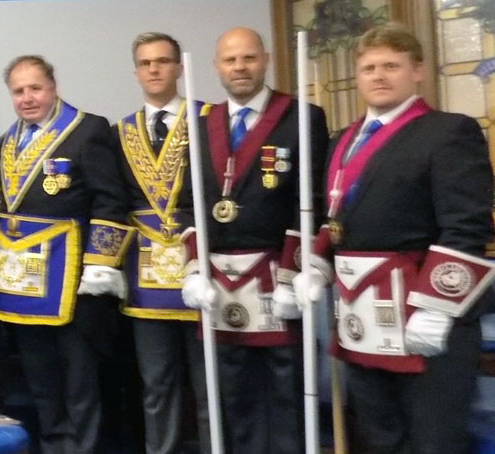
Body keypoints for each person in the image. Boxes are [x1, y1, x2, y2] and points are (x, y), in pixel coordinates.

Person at [291, 22, 495, 454]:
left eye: (391, 65)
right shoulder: (342, 140)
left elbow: (467, 225)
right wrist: (316, 263)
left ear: (417, 71)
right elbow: (339, 217)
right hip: (362, 319)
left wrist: (437, 307)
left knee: (434, 442)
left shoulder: (449, 131)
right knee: (380, 438)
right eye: (368, 68)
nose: (378, 76)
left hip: (425, 318)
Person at [178, 27, 329, 454]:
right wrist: (194, 269)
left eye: (248, 58)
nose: (239, 68)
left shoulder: (301, 116)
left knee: (288, 391)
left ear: (265, 59)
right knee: (233, 394)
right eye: (230, 60)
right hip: (220, 283)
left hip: (275, 275)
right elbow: (190, 202)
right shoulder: (203, 122)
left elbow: (311, 201)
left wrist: (291, 273)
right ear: (216, 67)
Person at [0, 55, 131, 454]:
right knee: (41, 380)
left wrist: (100, 265)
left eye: (35, 88)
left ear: (54, 87)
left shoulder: (88, 130)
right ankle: (53, 445)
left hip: (73, 283)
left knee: (80, 381)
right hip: (25, 283)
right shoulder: (7, 142)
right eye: (18, 91)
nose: (27, 98)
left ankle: (84, 449)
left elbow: (110, 202)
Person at [113, 32, 210, 454]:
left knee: (209, 384)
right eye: (146, 63)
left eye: (163, 61)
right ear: (136, 72)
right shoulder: (120, 132)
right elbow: (114, 200)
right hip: (145, 274)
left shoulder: (209, 121)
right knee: (156, 384)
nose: (154, 69)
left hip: (201, 267)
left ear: (180, 68)